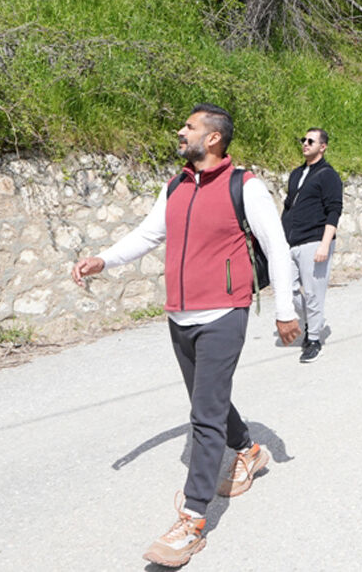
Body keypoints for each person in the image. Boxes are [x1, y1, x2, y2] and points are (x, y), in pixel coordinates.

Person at [71, 104, 300, 568]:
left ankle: (192, 521)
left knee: (204, 415)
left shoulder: (246, 187)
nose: (181, 132)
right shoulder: (176, 184)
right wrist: (104, 259)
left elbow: (277, 246)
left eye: (190, 127)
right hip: (180, 315)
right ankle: (249, 451)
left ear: (213, 138)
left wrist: (285, 311)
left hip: (224, 312)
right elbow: (149, 233)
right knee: (207, 400)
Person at [281, 128, 343, 363]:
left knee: (315, 294)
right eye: (303, 140)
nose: (305, 144)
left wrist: (324, 245)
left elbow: (334, 210)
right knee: (288, 290)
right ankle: (310, 324)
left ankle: (314, 339)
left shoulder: (328, 175)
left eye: (310, 141)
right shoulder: (296, 173)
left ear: (323, 146)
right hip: (292, 241)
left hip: (315, 240)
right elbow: (288, 207)